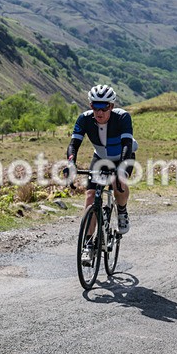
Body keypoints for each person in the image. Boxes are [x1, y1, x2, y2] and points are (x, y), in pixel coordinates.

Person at [65, 85, 138, 250]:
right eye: (95, 106)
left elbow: (127, 144)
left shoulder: (122, 117)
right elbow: (73, 144)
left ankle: (121, 210)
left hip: (123, 156)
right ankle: (88, 244)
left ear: (111, 106)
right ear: (90, 105)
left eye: (104, 107)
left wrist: (121, 168)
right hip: (100, 158)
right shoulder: (84, 119)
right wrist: (71, 163)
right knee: (90, 196)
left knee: (117, 182)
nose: (99, 112)